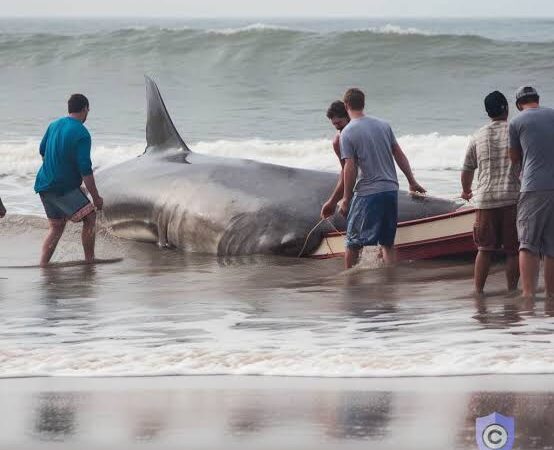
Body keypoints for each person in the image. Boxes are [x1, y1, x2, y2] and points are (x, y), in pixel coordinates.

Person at [337, 88, 426, 269]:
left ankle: (350, 285)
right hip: (391, 190)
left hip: (368, 193)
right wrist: (411, 181)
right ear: (363, 103)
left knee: (353, 242)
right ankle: (389, 281)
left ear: (346, 105)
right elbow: (399, 154)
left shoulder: (347, 132)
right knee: (387, 243)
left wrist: (346, 199)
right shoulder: (384, 125)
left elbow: (350, 167)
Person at [461, 91, 520, 294]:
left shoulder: (478, 135)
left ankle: (478, 291)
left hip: (485, 199)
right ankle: (512, 291)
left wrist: (466, 190)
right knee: (513, 251)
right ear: (506, 108)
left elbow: (468, 168)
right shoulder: (515, 130)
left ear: (488, 112)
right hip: (512, 198)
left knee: (484, 250)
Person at [34, 94, 103, 267]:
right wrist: (96, 198)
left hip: (43, 184)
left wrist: (56, 170)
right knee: (90, 217)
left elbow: (42, 151)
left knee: (56, 227)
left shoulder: (54, 125)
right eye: (88, 110)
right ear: (85, 108)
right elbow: (86, 169)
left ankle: (43, 264)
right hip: (61, 188)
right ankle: (90, 260)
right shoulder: (82, 133)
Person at [509, 86, 554, 299]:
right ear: (537, 99)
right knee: (552, 245)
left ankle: (528, 296)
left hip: (534, 186)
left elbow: (515, 158)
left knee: (527, 243)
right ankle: (551, 295)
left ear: (519, 105)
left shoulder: (517, 122)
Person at [321, 101, 350, 219]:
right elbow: (346, 170)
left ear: (349, 116)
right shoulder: (338, 141)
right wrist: (334, 201)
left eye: (339, 123)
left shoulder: (364, 130)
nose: (338, 128)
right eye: (334, 125)